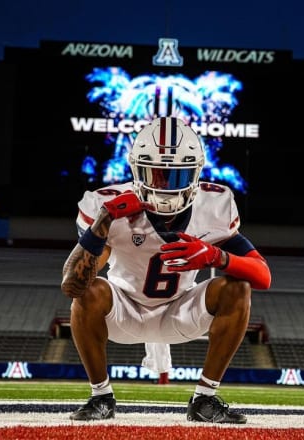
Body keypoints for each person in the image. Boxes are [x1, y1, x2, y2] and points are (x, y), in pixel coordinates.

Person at [61, 116, 271, 424]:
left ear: (196, 172)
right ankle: (100, 396)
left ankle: (205, 399)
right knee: (91, 289)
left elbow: (263, 275)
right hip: (123, 311)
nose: (165, 185)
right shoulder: (106, 204)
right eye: (157, 175)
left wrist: (215, 257)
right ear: (136, 170)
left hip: (180, 310)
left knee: (237, 288)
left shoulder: (213, 205)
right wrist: (104, 219)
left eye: (177, 176)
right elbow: (72, 287)